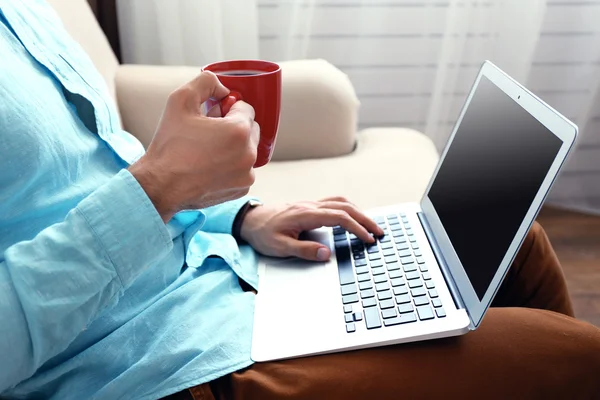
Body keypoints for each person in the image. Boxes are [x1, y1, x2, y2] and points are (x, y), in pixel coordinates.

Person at [0, 1, 599, 399]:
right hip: (154, 361)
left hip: (220, 273)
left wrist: (241, 216)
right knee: (577, 356)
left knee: (517, 245)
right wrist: (159, 188)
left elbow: (96, 164)